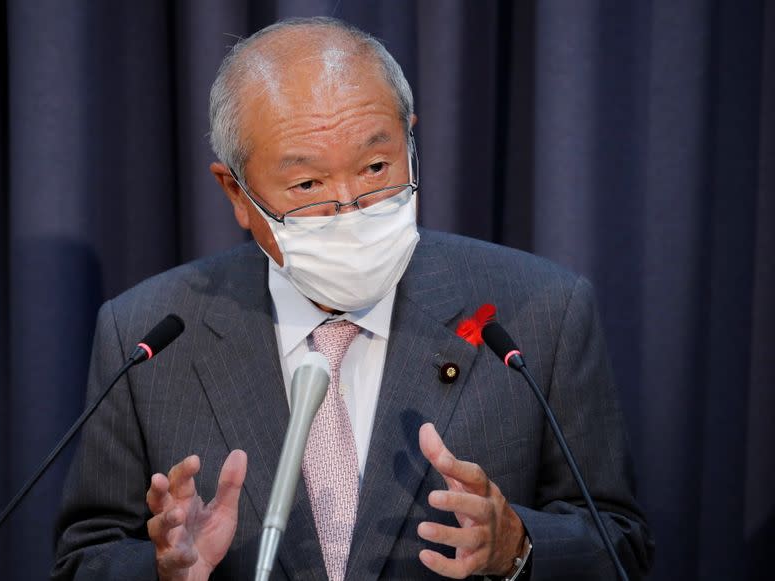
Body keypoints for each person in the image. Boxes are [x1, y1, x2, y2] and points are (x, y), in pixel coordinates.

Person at [53, 16, 654, 581]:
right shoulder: (146, 335)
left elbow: (620, 542)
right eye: (308, 184)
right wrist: (162, 569)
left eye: (375, 165)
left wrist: (517, 545)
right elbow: (86, 555)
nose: (353, 207)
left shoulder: (541, 310)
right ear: (235, 191)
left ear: (409, 143)